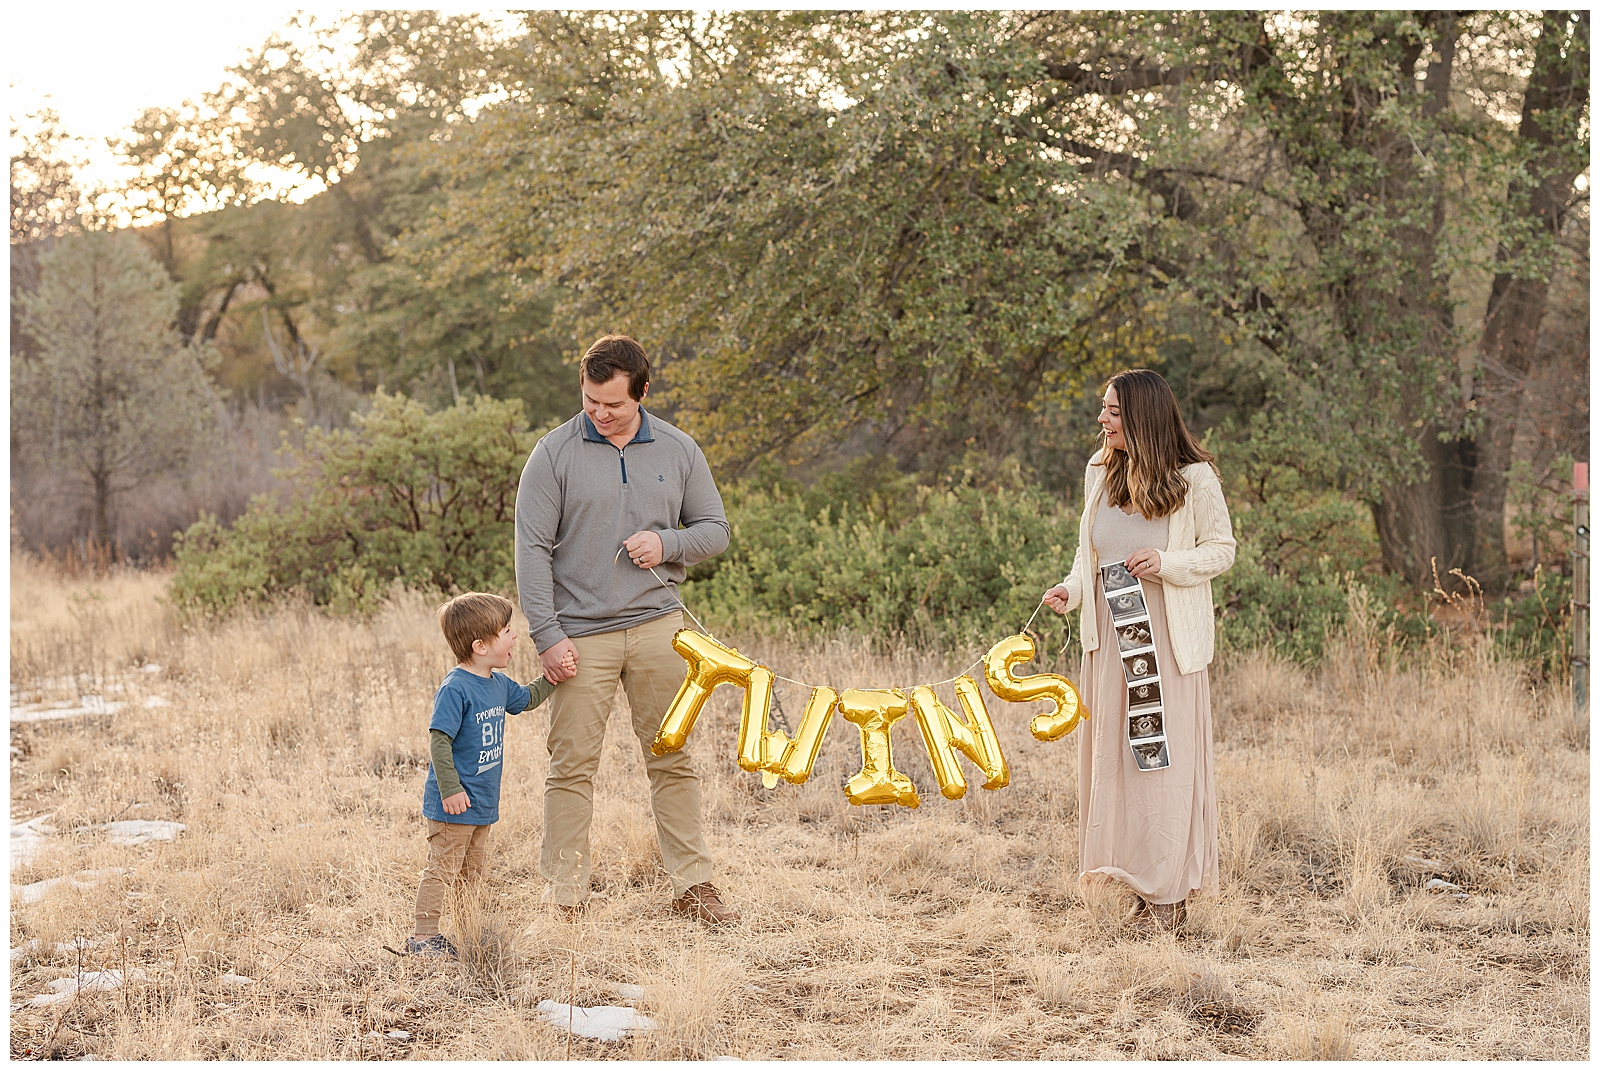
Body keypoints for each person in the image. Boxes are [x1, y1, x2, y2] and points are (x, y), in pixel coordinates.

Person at [515, 334, 739, 923]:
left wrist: (666, 542)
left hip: (659, 627)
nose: (599, 412)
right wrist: (547, 635)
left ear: (642, 391)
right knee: (570, 768)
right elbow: (531, 552)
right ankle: (564, 897)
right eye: (590, 400)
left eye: (612, 403)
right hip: (578, 635)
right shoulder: (553, 454)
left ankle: (694, 887)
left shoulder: (679, 449)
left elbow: (715, 529)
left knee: (672, 757)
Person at [1043, 369, 1236, 932]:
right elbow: (1090, 555)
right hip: (1110, 642)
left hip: (1166, 642)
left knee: (1159, 762)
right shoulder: (1099, 472)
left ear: (1143, 418)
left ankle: (1168, 895)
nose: (1101, 420)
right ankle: (1127, 880)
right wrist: (1072, 590)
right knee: (1117, 760)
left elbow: (1221, 550)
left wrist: (1167, 565)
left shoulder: (1195, 479)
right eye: (1103, 410)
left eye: (1112, 412)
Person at [407, 592, 566, 956]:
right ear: (480, 645)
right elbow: (439, 742)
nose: (515, 638)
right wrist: (450, 789)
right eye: (507, 631)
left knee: (472, 870)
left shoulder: (496, 683)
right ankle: (423, 936)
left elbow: (525, 700)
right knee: (443, 868)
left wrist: (552, 678)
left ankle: (466, 927)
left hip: (482, 802)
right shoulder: (455, 688)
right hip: (454, 802)